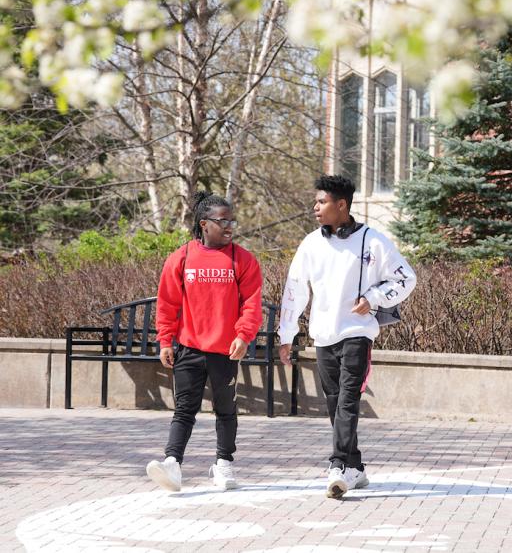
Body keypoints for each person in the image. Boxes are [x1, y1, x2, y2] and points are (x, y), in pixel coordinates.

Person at [278, 174, 416, 499]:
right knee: (333, 401)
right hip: (323, 335)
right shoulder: (311, 243)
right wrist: (287, 334)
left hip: (357, 333)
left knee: (347, 399)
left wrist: (374, 298)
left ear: (342, 205)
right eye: (316, 201)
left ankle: (338, 465)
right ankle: (354, 466)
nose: (316, 207)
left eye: (322, 201)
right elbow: (294, 291)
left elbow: (406, 278)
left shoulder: (373, 240)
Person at [146, 192, 263, 492]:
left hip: (225, 351)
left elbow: (251, 303)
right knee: (184, 409)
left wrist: (243, 335)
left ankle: (224, 465)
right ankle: (173, 464)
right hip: (189, 348)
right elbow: (167, 304)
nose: (229, 226)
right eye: (222, 221)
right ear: (204, 224)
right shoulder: (181, 257)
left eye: (231, 220)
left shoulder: (243, 259)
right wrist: (165, 341)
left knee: (226, 409)